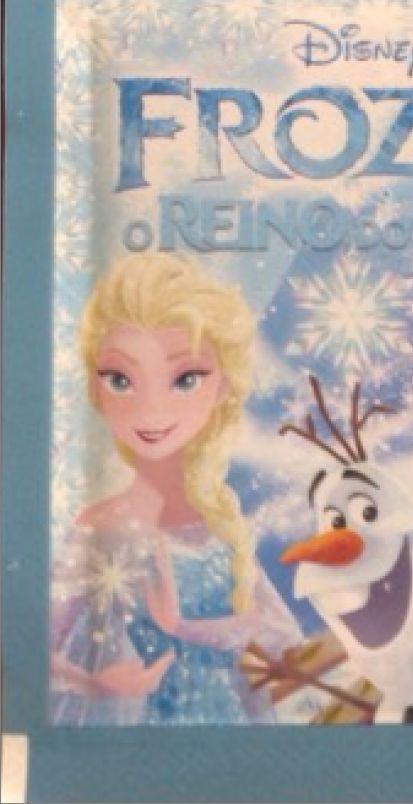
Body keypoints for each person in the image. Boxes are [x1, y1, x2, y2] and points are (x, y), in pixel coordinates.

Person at [50, 253, 302, 725]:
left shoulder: (220, 521)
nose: (152, 409)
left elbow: (280, 634)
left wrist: (184, 628)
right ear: (95, 389)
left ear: (222, 385)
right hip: (150, 733)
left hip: (233, 728)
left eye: (185, 379)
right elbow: (36, 649)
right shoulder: (101, 526)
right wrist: (96, 682)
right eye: (121, 380)